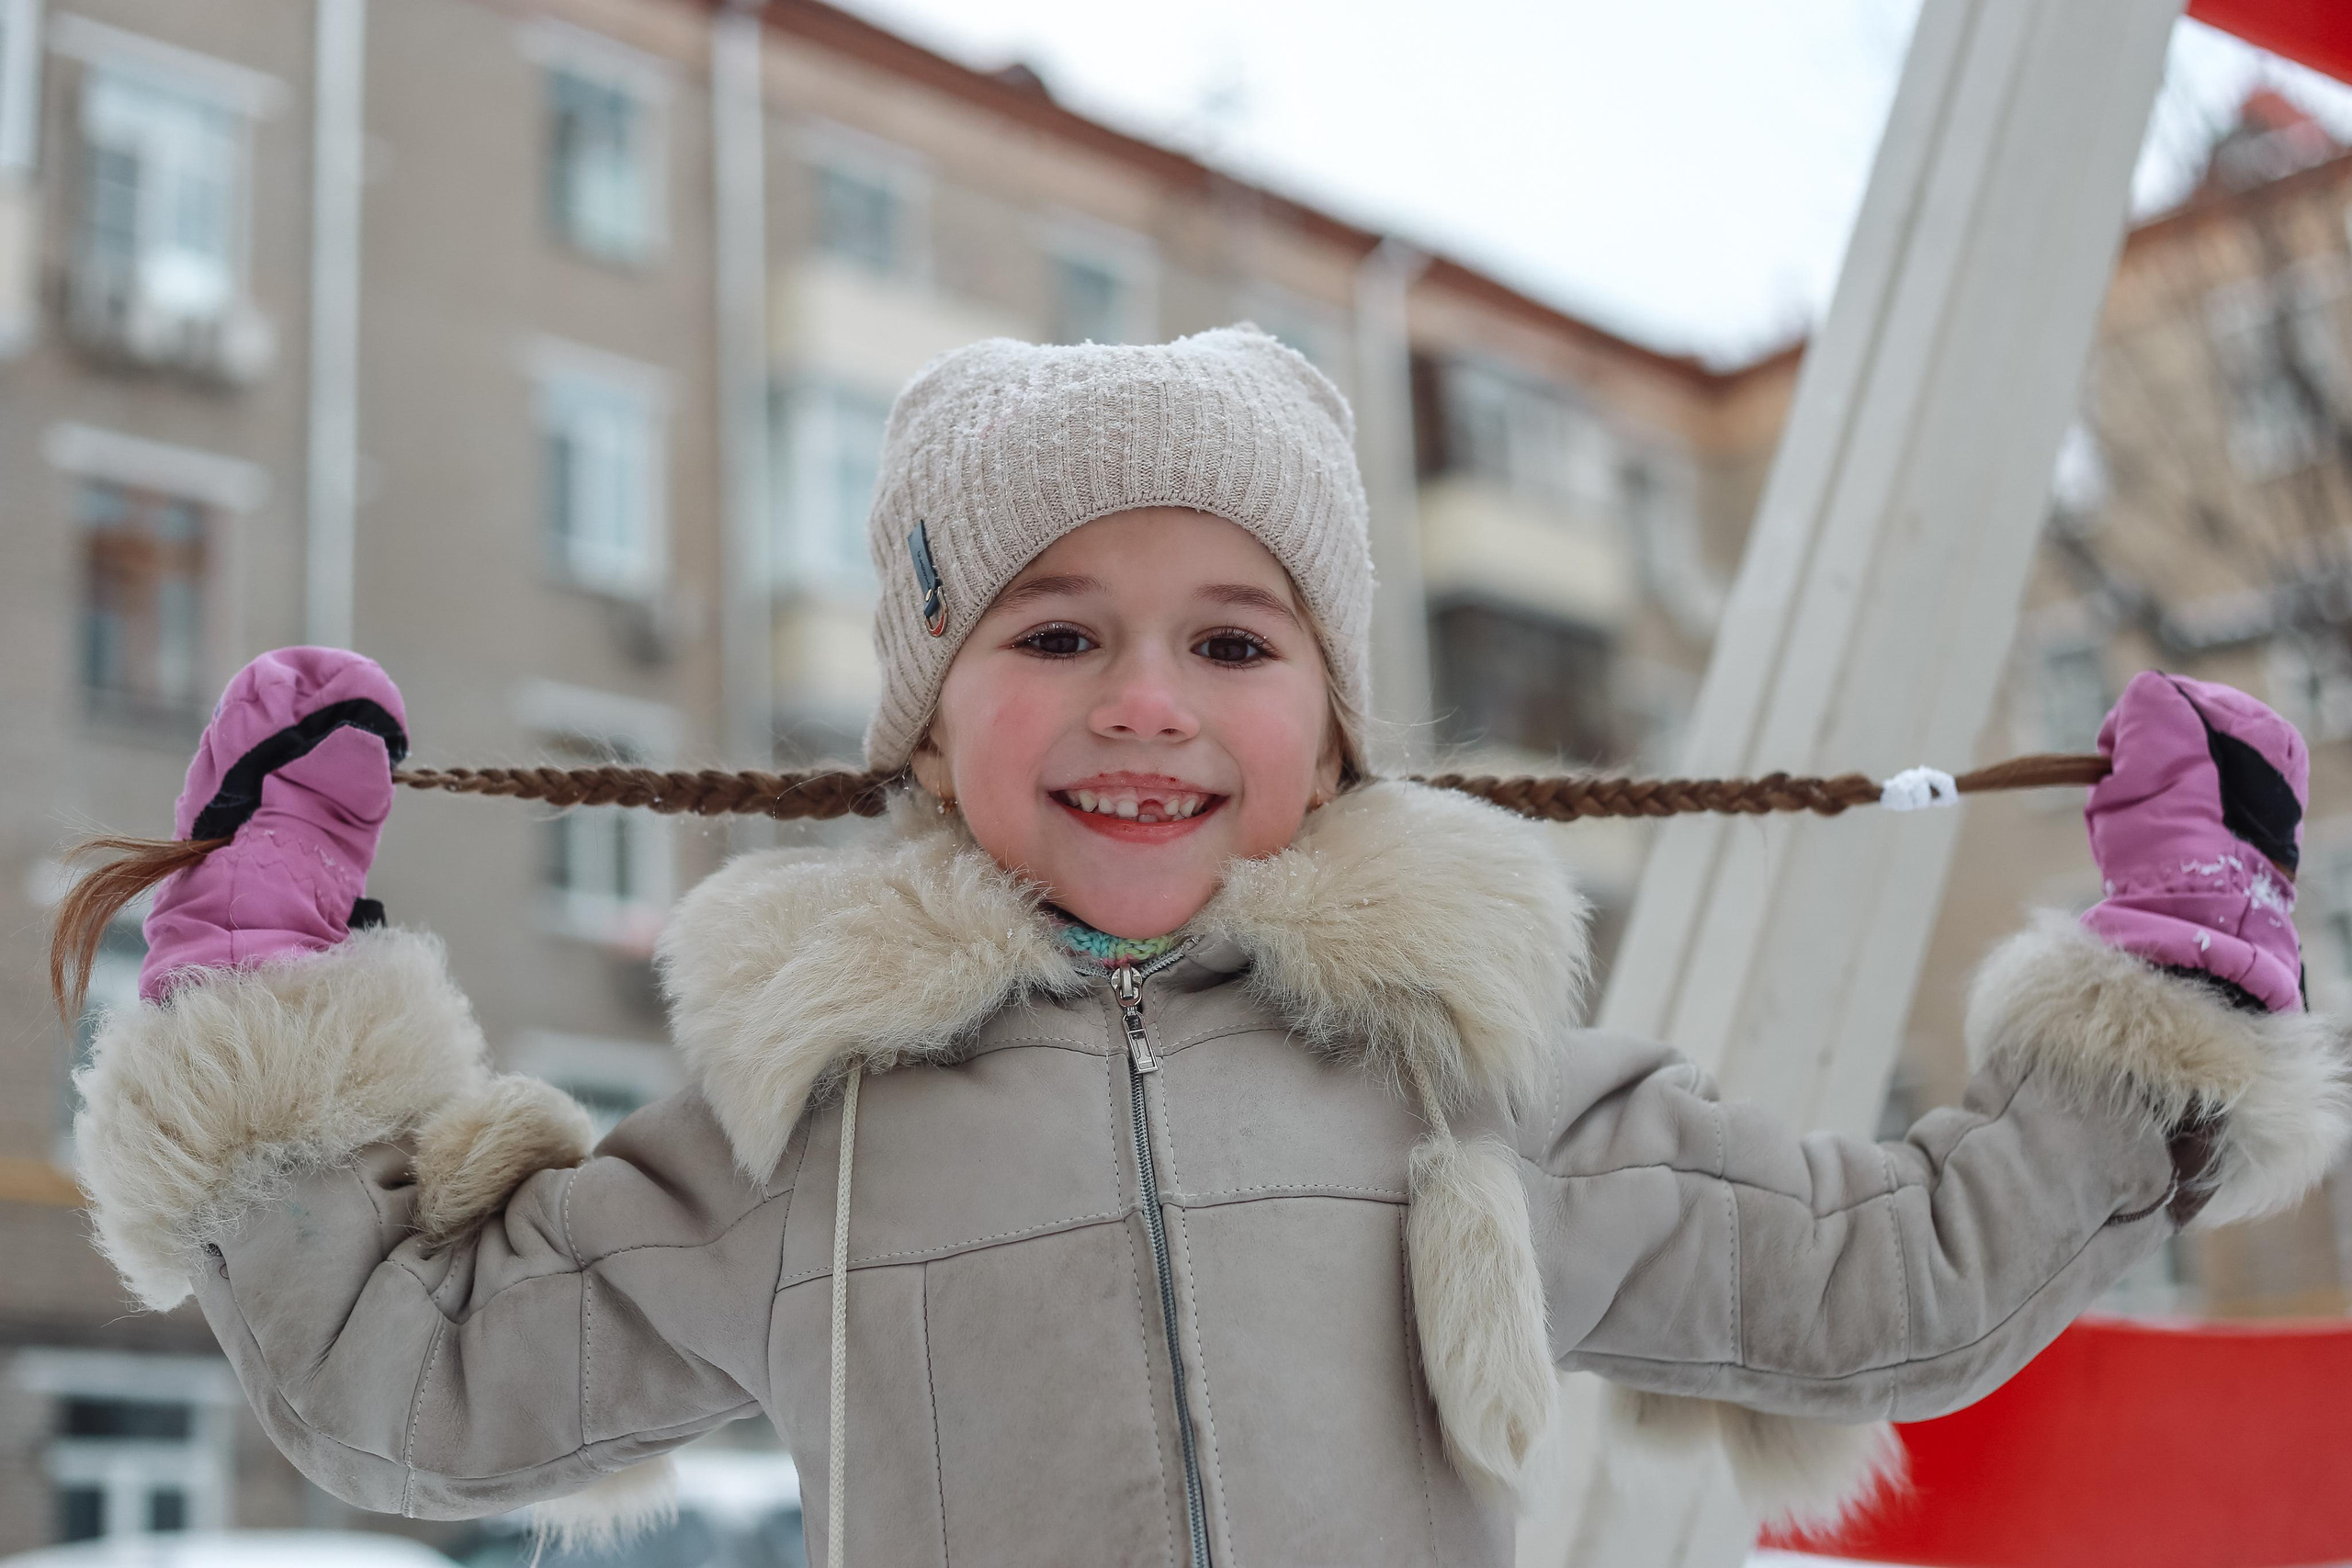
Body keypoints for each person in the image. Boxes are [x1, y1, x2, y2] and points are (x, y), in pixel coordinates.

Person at [56, 327, 2350, 1568]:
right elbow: (413, 1389)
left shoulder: (1463, 1088)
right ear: (928, 723)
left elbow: (1882, 1285)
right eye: (1056, 631)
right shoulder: (807, 1138)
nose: (1144, 699)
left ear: (1329, 728)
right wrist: (263, 1000)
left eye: (1232, 640)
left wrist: (2158, 997)